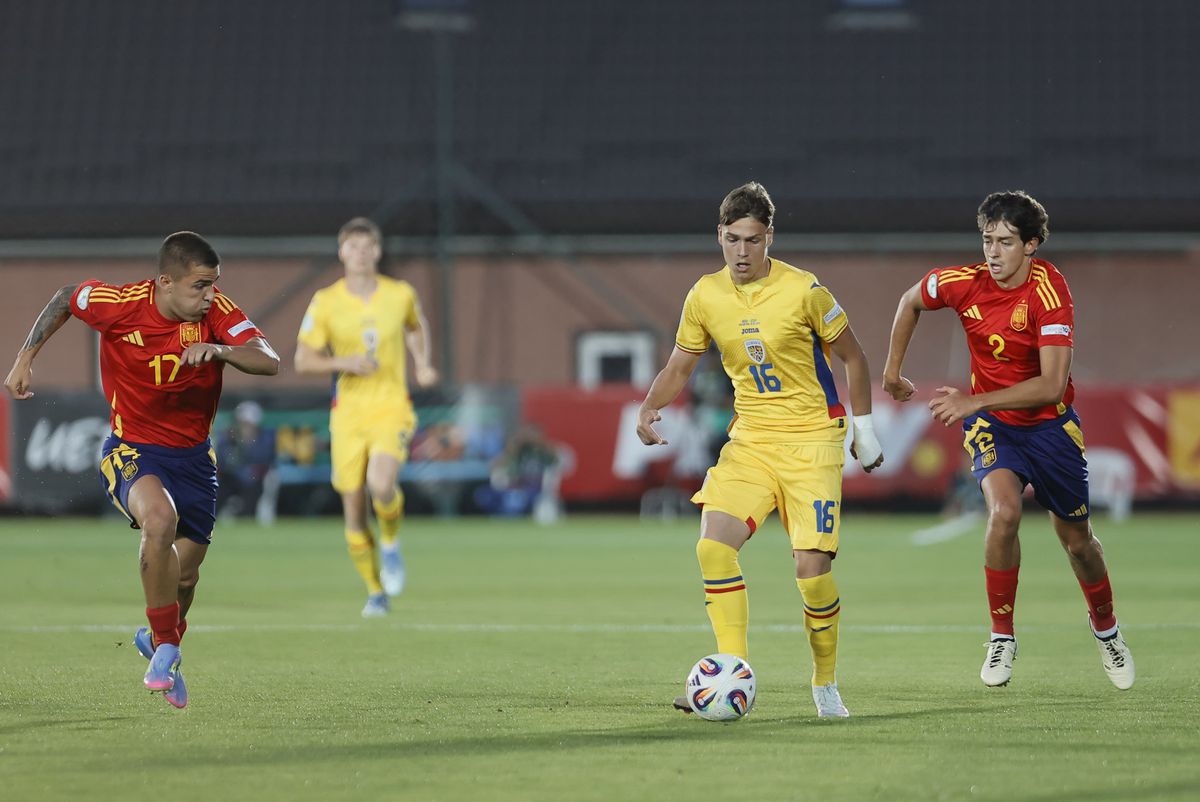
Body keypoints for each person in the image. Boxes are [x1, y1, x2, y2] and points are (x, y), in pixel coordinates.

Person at [636, 182, 884, 718]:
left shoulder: (805, 290)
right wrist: (648, 407)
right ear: (719, 237)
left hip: (813, 441)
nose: (742, 252)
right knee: (712, 547)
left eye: (752, 239)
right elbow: (681, 365)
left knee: (811, 572)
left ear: (769, 236)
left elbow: (854, 356)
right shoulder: (704, 295)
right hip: (751, 440)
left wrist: (863, 428)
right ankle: (732, 674)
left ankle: (824, 683)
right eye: (732, 240)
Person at [4, 232, 280, 709]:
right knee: (158, 520)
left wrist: (219, 351)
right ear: (165, 283)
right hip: (132, 450)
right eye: (199, 286)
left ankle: (161, 641)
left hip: (195, 460)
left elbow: (269, 360)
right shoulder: (120, 304)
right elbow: (64, 298)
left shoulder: (218, 314)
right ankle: (167, 648)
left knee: (187, 579)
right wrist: (25, 357)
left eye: (214, 285)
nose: (209, 296)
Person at [882, 190, 1135, 690]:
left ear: (1032, 245)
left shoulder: (1050, 293)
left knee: (1077, 541)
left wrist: (974, 401)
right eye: (987, 240)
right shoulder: (964, 283)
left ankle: (1106, 630)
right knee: (1004, 513)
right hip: (996, 427)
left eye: (1005, 242)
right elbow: (910, 300)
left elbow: (1052, 385)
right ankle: (1001, 637)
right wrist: (892, 372)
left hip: (1050, 427)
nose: (992, 253)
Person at [295, 217, 438, 618]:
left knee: (381, 483)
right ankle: (375, 591)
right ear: (342, 252)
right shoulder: (326, 301)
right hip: (348, 414)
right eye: (352, 247)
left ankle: (390, 543)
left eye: (367, 246)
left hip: (391, 405)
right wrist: (344, 362)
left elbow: (416, 325)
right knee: (354, 508)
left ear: (377, 251)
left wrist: (423, 363)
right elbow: (302, 359)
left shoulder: (399, 293)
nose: (360, 253)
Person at [216, 400, 277, 520]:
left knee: (252, 494)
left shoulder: (264, 439)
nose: (244, 427)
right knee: (219, 488)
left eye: (247, 424)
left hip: (255, 479)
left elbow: (265, 459)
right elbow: (223, 460)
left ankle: (248, 517)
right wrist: (236, 444)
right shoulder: (229, 439)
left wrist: (246, 445)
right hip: (232, 477)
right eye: (242, 423)